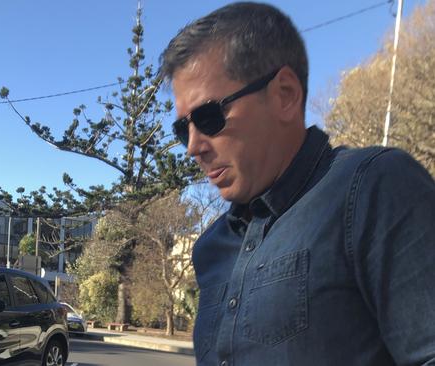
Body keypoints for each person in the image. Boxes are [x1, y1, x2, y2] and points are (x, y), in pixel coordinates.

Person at [159, 2, 435, 366]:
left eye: (208, 117)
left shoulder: (373, 187)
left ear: (285, 94)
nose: (193, 146)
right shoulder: (211, 247)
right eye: (183, 129)